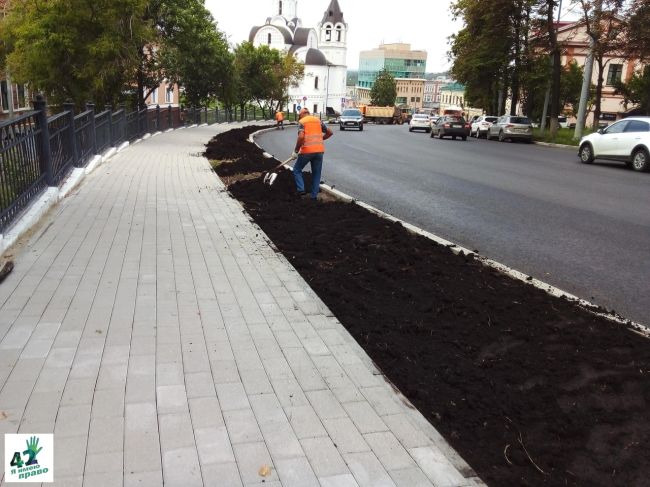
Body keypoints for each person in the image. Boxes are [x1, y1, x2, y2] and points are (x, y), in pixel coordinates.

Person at [291, 108, 333, 200]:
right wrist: (319, 140)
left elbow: (301, 137)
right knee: (316, 174)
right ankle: (313, 197)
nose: (299, 118)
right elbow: (330, 133)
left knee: (297, 170)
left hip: (307, 151)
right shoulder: (318, 121)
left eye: (299, 116)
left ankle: (301, 190)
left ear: (301, 114)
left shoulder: (302, 121)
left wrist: (296, 151)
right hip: (319, 151)